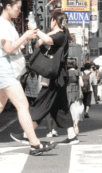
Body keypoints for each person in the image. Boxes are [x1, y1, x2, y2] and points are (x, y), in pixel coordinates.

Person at [0, 0, 57, 157]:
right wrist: (25, 36)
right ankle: (35, 144)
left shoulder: (8, 24)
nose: (19, 11)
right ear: (8, 7)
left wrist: (25, 38)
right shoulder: (1, 24)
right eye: (17, 8)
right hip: (4, 68)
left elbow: (13, 47)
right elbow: (9, 49)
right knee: (23, 105)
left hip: (4, 68)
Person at [18, 10, 80, 145]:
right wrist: (47, 33)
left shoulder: (61, 35)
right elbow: (38, 44)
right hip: (58, 76)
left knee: (41, 103)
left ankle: (27, 134)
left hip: (55, 77)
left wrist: (36, 30)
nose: (50, 23)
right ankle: (71, 135)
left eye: (51, 20)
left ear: (54, 21)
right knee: (60, 107)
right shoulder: (59, 35)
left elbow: (46, 41)